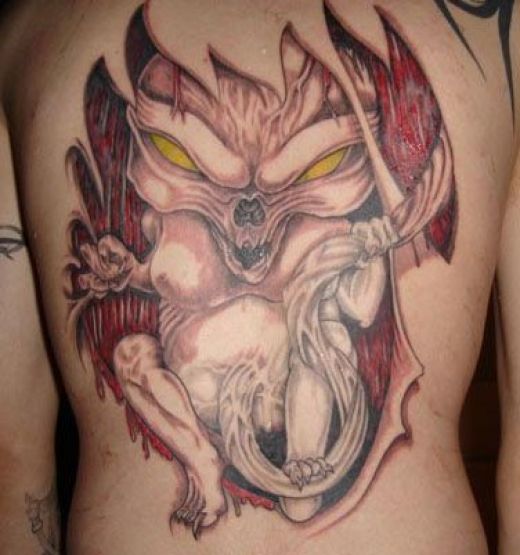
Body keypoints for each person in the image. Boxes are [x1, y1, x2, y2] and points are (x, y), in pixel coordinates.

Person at [0, 1, 518, 553]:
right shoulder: (488, 38)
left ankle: (295, 464)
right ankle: (207, 464)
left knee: (317, 348)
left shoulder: (34, 30)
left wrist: (362, 252)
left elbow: (13, 463)